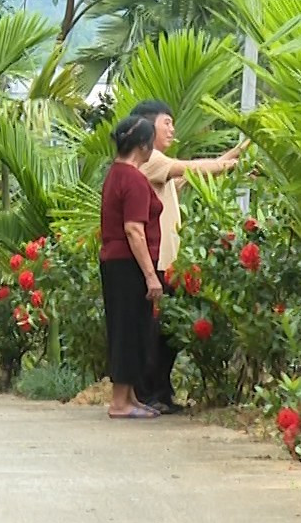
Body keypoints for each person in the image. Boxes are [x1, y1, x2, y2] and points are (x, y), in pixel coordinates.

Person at [132, 99, 246, 414]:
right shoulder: (150, 160)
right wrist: (233, 165)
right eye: (166, 122)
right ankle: (149, 395)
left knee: (166, 334)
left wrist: (239, 151)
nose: (172, 129)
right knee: (155, 334)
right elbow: (194, 167)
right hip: (155, 264)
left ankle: (160, 394)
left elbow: (200, 173)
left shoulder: (161, 168)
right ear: (147, 127)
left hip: (168, 265)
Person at [101, 115, 165, 419]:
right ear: (143, 146)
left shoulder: (115, 174)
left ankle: (129, 397)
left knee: (129, 327)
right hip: (129, 264)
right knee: (128, 329)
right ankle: (119, 402)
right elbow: (134, 230)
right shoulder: (134, 179)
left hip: (116, 262)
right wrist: (151, 276)